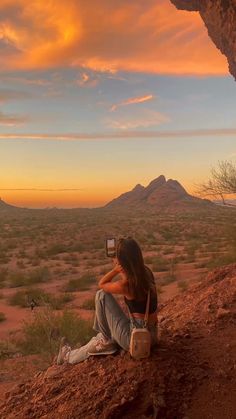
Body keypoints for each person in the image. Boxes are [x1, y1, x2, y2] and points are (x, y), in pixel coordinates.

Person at [57, 238, 158, 365]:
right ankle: (96, 342)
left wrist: (115, 270)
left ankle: (103, 341)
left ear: (123, 262)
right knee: (98, 338)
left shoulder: (126, 285)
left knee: (101, 296)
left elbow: (102, 284)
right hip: (151, 336)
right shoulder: (146, 273)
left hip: (133, 340)